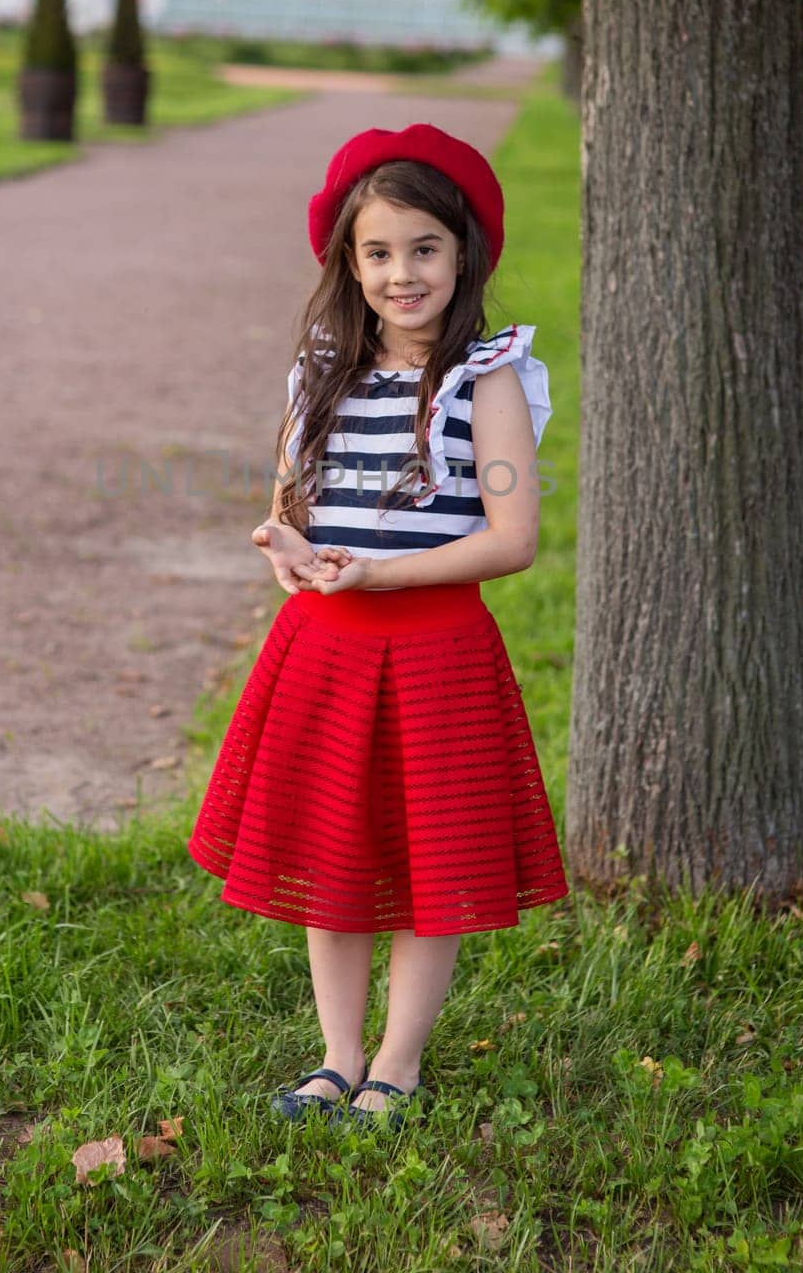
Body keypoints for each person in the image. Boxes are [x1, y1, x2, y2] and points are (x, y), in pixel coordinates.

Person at [186, 122, 570, 1133]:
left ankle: (395, 1062)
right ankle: (336, 1054)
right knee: (331, 856)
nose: (401, 274)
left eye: (423, 249)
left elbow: (513, 536)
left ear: (463, 253)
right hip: (323, 648)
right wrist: (286, 551)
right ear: (348, 264)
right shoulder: (319, 372)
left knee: (429, 861)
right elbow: (290, 506)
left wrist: (386, 572)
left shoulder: (483, 377)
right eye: (378, 253)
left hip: (436, 649)